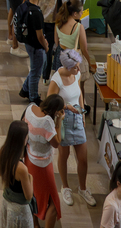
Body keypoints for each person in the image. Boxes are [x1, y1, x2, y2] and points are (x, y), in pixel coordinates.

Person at [47, 49, 93, 206]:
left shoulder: (76, 74)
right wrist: (66, 107)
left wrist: (81, 111)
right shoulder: (56, 80)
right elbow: (50, 103)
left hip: (77, 118)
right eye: (75, 67)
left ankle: (83, 188)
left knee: (83, 158)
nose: (79, 70)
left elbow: (79, 92)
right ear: (67, 67)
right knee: (63, 155)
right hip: (63, 120)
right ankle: (65, 187)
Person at [24, 95, 64, 228]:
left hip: (29, 159)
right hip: (42, 165)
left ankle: (35, 224)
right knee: (54, 202)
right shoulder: (47, 121)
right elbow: (56, 143)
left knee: (33, 195)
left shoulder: (31, 108)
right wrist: (58, 121)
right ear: (55, 111)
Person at [19, 0, 49, 102]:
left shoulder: (26, 5)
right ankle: (33, 96)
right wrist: (46, 46)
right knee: (36, 73)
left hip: (28, 43)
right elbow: (40, 35)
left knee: (35, 68)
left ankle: (25, 89)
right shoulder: (36, 13)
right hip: (36, 46)